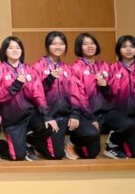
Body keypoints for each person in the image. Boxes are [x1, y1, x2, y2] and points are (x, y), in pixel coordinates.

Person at [70, 33, 135, 159]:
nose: (90, 46)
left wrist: (105, 86)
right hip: (86, 114)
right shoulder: (76, 68)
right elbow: (79, 96)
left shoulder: (104, 65)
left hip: (107, 111)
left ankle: (111, 145)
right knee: (92, 153)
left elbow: (113, 93)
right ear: (80, 47)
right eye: (85, 44)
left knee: (130, 124)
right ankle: (75, 142)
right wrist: (91, 118)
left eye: (92, 43)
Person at [0, 36, 55, 161]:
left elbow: (38, 94)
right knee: (18, 157)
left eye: (18, 48)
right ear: (4, 51)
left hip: (30, 114)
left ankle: (28, 142)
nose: (15, 50)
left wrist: (47, 115)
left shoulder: (29, 69)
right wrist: (15, 86)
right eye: (11, 48)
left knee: (50, 126)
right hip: (13, 120)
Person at [36, 31, 99, 160]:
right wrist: (47, 116)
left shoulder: (67, 68)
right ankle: (36, 143)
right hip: (51, 117)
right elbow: (37, 93)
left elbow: (75, 93)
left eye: (61, 44)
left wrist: (75, 114)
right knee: (56, 155)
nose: (58, 47)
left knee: (92, 136)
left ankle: (69, 143)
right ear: (48, 46)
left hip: (67, 115)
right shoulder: (39, 66)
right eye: (54, 44)